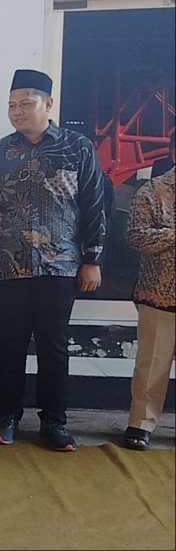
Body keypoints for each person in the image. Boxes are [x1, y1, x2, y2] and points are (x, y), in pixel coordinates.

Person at [0, 69, 107, 452]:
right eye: (12, 105)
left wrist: (92, 258)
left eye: (26, 103)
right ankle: (7, 416)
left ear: (48, 104)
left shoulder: (77, 148)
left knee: (53, 345)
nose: (17, 111)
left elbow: (95, 206)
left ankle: (54, 422)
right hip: (7, 264)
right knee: (10, 342)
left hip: (61, 265)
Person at [123, 137, 174, 451]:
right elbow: (135, 236)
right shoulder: (153, 191)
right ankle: (140, 424)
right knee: (152, 363)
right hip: (159, 294)